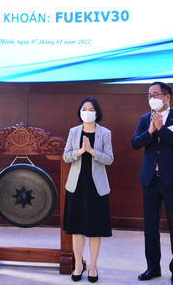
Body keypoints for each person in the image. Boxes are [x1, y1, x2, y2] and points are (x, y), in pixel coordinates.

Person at [131, 81, 173, 285]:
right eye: (149, 95)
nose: (152, 98)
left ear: (167, 97)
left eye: (156, 94)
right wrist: (150, 131)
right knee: (150, 227)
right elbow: (135, 143)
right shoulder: (144, 118)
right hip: (150, 179)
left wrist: (162, 129)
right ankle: (153, 268)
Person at [62, 97, 114, 283]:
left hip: (96, 187)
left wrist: (92, 151)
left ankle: (93, 266)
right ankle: (78, 265)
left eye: (90, 109)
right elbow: (66, 156)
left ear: (97, 113)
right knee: (77, 229)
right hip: (77, 186)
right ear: (80, 112)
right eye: (84, 109)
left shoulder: (105, 133)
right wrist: (80, 151)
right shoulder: (73, 131)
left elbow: (109, 159)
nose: (87, 112)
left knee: (95, 229)